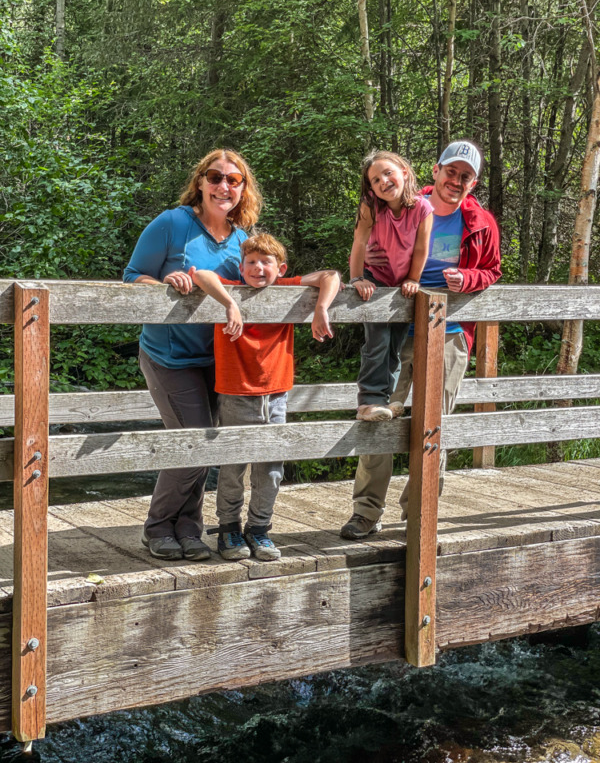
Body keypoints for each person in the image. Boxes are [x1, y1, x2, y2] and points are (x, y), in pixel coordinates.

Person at [341, 140, 502, 540]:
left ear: (474, 182)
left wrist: (468, 279)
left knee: (434, 428)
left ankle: (419, 513)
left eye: (465, 176)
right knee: (378, 419)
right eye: (451, 171)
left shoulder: (480, 221)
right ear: (435, 170)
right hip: (399, 327)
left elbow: (492, 271)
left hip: (447, 334)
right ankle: (366, 512)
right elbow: (367, 244)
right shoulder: (402, 202)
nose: (456, 180)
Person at [123, 149, 262, 561]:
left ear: (243, 188)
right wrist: (164, 282)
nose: (224, 186)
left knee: (206, 444)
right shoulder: (172, 223)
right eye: (216, 177)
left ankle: (188, 528)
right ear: (200, 182)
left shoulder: (242, 239)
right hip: (169, 356)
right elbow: (132, 277)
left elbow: (263, 278)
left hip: (218, 359)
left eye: (233, 180)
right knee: (194, 440)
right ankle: (157, 527)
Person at [191, 233, 342, 561]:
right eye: (251, 262)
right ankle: (229, 528)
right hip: (235, 393)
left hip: (275, 395)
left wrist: (321, 308)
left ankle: (258, 528)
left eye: (266, 262)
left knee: (271, 468)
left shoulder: (287, 290)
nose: (259, 268)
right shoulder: (228, 289)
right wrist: (230, 303)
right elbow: (199, 274)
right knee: (233, 467)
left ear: (280, 268)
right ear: (241, 267)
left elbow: (332, 276)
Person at [350, 151, 434, 421]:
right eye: (375, 180)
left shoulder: (422, 208)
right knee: (378, 341)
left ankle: (384, 399)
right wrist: (357, 278)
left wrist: (413, 279)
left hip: (402, 285)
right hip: (375, 281)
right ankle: (368, 402)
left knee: (395, 344)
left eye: (388, 173)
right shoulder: (371, 207)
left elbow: (421, 248)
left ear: (404, 172)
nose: (383, 181)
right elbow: (360, 243)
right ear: (371, 188)